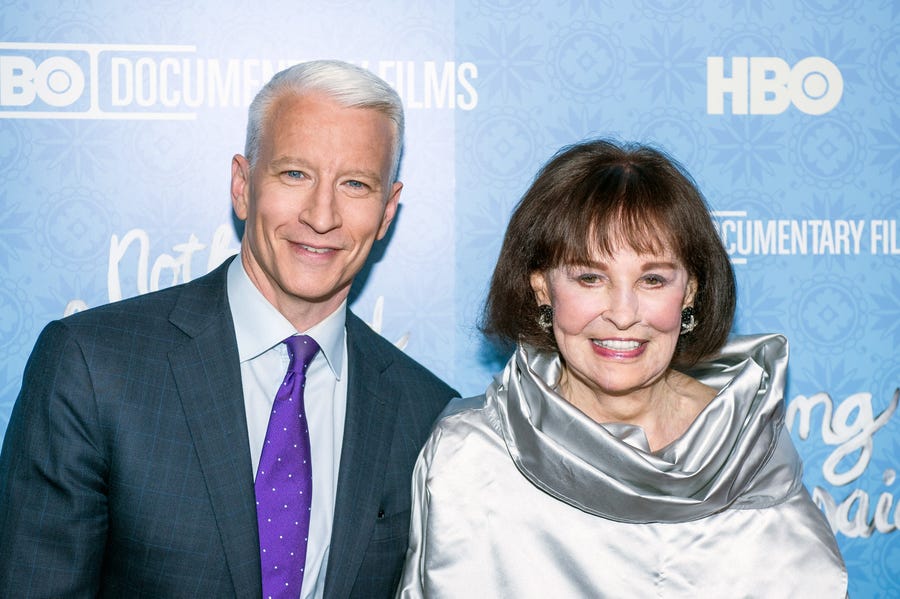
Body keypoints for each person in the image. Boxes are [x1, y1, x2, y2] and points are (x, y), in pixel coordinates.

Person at [0, 59, 457, 598]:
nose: (322, 214)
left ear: (386, 212)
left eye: (355, 184)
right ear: (243, 185)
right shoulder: (92, 367)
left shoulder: (427, 413)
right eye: (295, 174)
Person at [397, 139, 847, 597]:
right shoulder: (471, 454)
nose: (623, 312)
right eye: (590, 278)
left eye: (652, 279)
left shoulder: (749, 450)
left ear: (689, 292)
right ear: (541, 289)